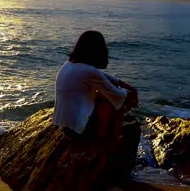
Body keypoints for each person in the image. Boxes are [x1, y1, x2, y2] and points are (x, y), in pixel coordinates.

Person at [52, 30, 139, 190]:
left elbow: (101, 76)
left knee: (105, 96)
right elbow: (118, 95)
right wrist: (131, 94)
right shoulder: (88, 71)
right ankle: (110, 143)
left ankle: (108, 140)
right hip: (81, 130)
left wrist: (124, 84)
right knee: (113, 101)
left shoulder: (70, 64)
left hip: (65, 127)